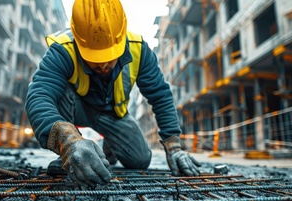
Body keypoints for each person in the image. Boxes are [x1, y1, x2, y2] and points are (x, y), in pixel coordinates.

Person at [25, 0, 201, 187]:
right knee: (55, 93)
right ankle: (72, 156)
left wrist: (173, 147)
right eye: (93, 57)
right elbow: (39, 96)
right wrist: (68, 142)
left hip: (112, 114)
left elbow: (160, 96)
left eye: (109, 56)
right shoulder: (63, 50)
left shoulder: (139, 49)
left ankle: (108, 148)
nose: (102, 65)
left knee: (140, 160)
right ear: (78, 39)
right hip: (76, 107)